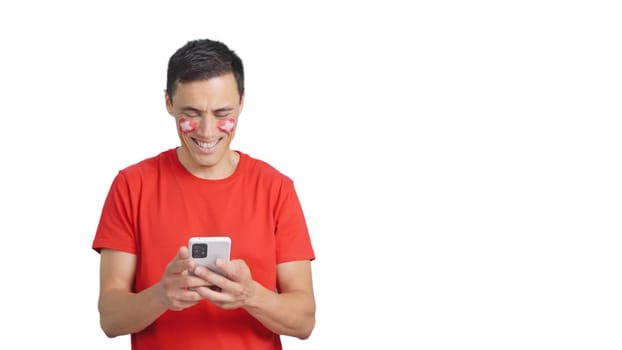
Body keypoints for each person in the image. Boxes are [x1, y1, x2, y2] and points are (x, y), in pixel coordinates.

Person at [92, 38, 316, 350]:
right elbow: (110, 318)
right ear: (169, 103)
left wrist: (251, 295)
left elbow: (304, 321)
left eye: (223, 112)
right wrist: (161, 296)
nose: (207, 131)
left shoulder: (276, 188)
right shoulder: (132, 185)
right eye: (191, 113)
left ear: (241, 102)